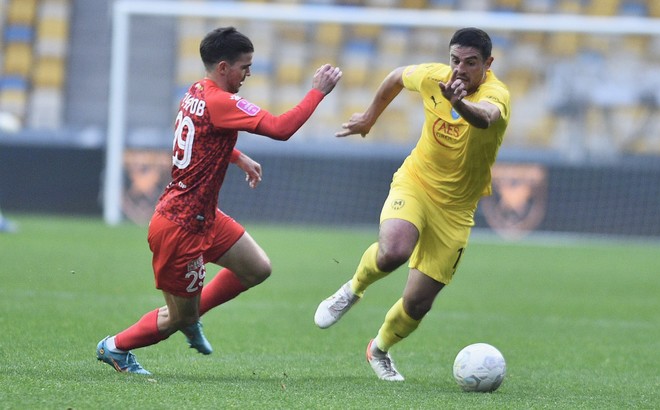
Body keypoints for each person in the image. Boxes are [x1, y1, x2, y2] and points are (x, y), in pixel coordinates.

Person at [97, 26, 342, 375]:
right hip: (180, 227)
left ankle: (191, 316)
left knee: (257, 268)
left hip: (203, 216)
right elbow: (280, 128)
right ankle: (115, 347)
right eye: (245, 67)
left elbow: (202, 136)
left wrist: (236, 156)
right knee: (175, 318)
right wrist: (317, 92)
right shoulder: (220, 101)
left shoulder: (196, 91)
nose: (249, 74)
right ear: (224, 67)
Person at [314, 27, 510, 381]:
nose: (460, 69)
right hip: (416, 182)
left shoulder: (497, 94)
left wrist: (457, 103)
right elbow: (395, 77)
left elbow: (485, 118)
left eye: (471, 62)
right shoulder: (434, 77)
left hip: (456, 209)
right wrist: (369, 118)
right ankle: (352, 289)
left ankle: (379, 349)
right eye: (455, 60)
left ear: (488, 63)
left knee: (418, 302)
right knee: (394, 251)